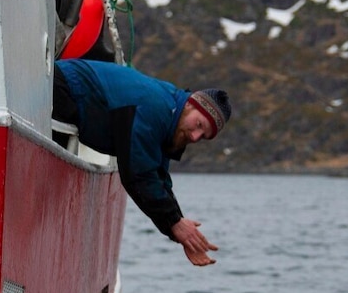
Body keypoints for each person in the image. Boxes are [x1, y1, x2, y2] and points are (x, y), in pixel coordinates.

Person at [52, 59, 233, 267]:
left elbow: (158, 177)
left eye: (203, 136)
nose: (195, 136)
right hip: (62, 86)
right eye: (198, 125)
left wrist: (180, 227)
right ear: (191, 104)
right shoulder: (155, 107)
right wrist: (175, 224)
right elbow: (137, 174)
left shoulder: (171, 116)